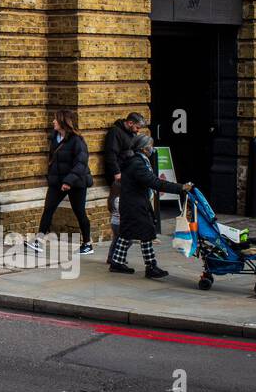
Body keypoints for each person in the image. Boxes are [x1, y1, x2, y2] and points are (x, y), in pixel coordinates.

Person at [111, 133, 192, 279]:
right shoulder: (138, 164)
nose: (152, 149)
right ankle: (151, 266)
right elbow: (155, 183)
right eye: (151, 146)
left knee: (127, 233)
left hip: (132, 202)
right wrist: (181, 188)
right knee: (147, 233)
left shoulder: (136, 161)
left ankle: (117, 262)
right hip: (135, 204)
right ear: (144, 148)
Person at [28, 110, 94, 255]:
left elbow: (81, 163)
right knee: (48, 209)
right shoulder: (54, 138)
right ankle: (38, 241)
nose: (53, 122)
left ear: (63, 122)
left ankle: (87, 243)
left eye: (55, 120)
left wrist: (69, 181)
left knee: (79, 212)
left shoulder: (77, 141)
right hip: (57, 181)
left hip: (76, 182)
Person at [104, 111, 146, 257]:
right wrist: (117, 173)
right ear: (129, 123)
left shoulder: (130, 134)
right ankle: (115, 257)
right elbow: (111, 154)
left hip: (127, 174)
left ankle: (114, 257)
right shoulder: (116, 133)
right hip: (120, 176)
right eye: (137, 127)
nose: (138, 131)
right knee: (121, 217)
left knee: (124, 225)